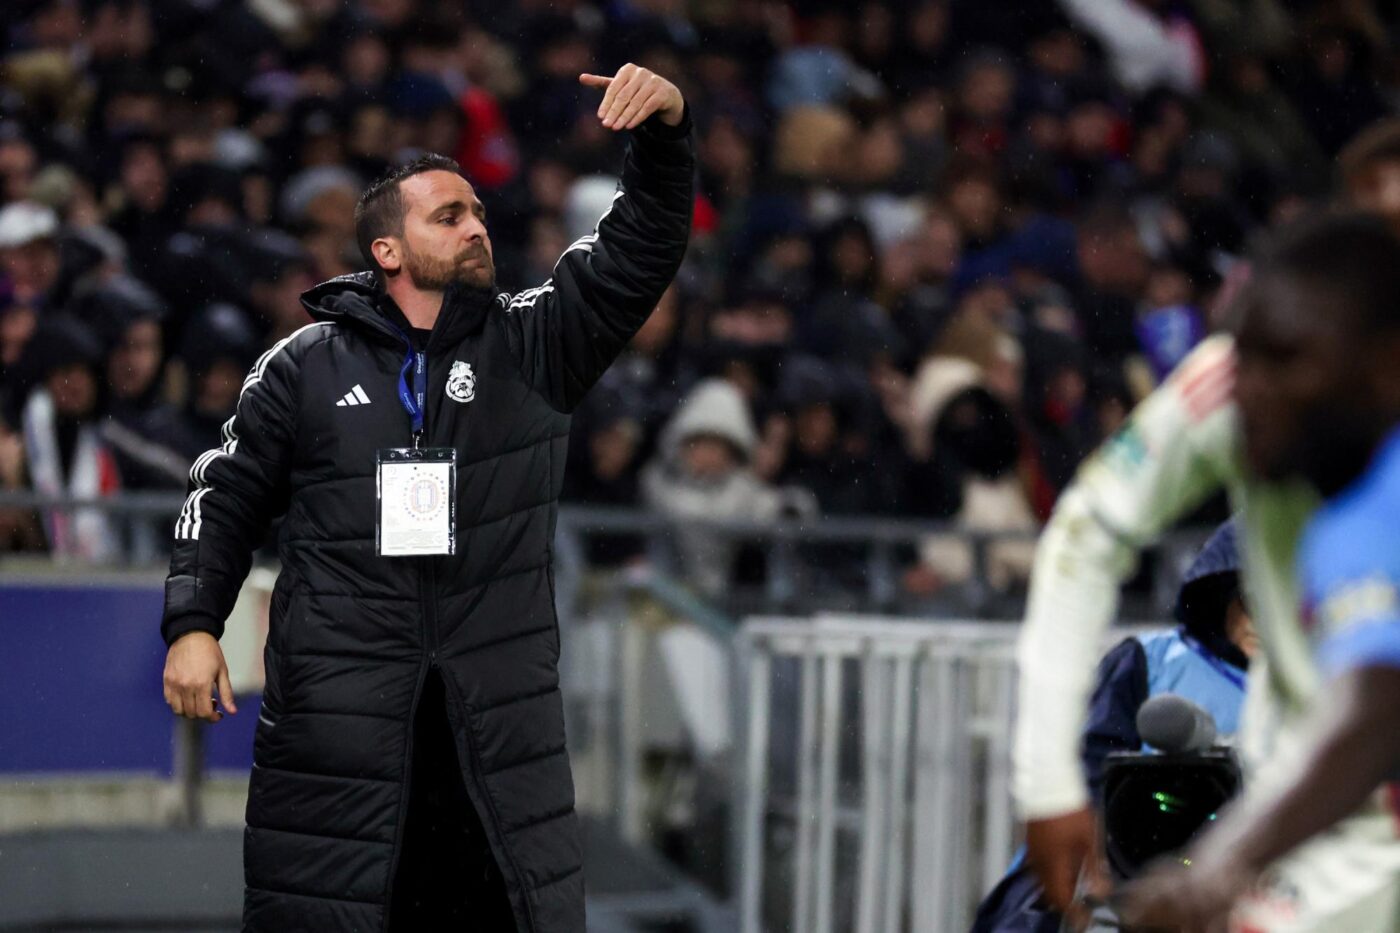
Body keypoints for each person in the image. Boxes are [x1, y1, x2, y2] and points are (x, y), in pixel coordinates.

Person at [157, 63, 693, 933]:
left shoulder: (534, 344)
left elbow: (640, 250)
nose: (476, 226)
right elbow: (220, 495)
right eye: (448, 216)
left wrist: (665, 134)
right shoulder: (304, 365)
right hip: (338, 755)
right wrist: (192, 623)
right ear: (387, 251)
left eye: (478, 212)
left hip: (498, 756)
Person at [1012, 120, 1400, 933]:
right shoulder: (1255, 374)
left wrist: (1223, 865)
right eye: (1374, 210)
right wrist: (1048, 779)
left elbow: (1377, 706)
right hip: (1309, 822)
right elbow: (1086, 532)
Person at [1122, 213, 1400, 930]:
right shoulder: (1344, 526)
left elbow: (1376, 710)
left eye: (1285, 361)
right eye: (1242, 362)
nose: (1248, 391)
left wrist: (1223, 864)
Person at [973, 520, 1253, 932]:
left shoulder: (1336, 687)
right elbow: (1088, 774)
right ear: (1220, 595)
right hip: (1140, 871)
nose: (1260, 623)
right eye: (1248, 603)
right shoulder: (1150, 661)